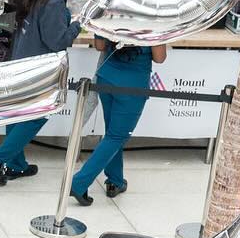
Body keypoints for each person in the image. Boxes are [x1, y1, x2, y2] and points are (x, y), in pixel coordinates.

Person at [0, 0, 82, 185]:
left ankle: (16, 164)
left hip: (16, 58)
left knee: (17, 111)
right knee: (38, 115)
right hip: (39, 67)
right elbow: (57, 41)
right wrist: (77, 24)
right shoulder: (53, 0)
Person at [69, 37, 169, 205]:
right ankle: (78, 183)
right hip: (132, 84)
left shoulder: (110, 17)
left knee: (112, 134)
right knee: (116, 136)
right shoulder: (153, 22)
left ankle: (115, 180)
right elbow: (160, 58)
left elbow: (100, 46)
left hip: (106, 77)